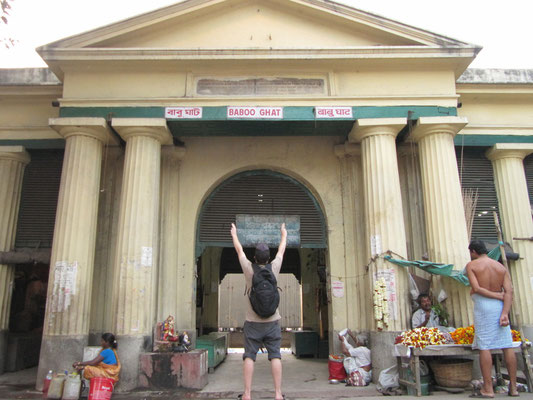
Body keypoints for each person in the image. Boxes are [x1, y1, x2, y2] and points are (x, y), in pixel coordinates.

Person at [230, 222, 287, 400]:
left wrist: (234, 234)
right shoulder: (274, 268)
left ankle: (247, 394)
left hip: (253, 322)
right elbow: (282, 250)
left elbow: (239, 251)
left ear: (254, 257)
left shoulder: (249, 269)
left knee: (249, 356)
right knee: (275, 355)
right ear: (268, 258)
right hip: (273, 321)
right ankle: (278, 394)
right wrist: (283, 233)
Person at [467, 240, 518, 398]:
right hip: (500, 306)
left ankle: (488, 389)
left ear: (474, 251)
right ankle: (514, 388)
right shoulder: (500, 267)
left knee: (485, 346)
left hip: (484, 306)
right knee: (507, 345)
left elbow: (476, 288)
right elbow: (509, 292)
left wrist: (495, 295)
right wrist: (505, 312)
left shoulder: (472, 266)